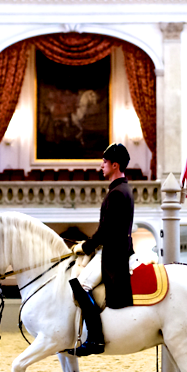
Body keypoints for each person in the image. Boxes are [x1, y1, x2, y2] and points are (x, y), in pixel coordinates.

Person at [68, 143, 135, 357]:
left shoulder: (116, 193)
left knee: (80, 286)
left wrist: (85, 246)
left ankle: (95, 339)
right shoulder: (122, 189)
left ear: (115, 165)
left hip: (112, 253)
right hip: (116, 248)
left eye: (104, 162)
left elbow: (105, 231)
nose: (101, 165)